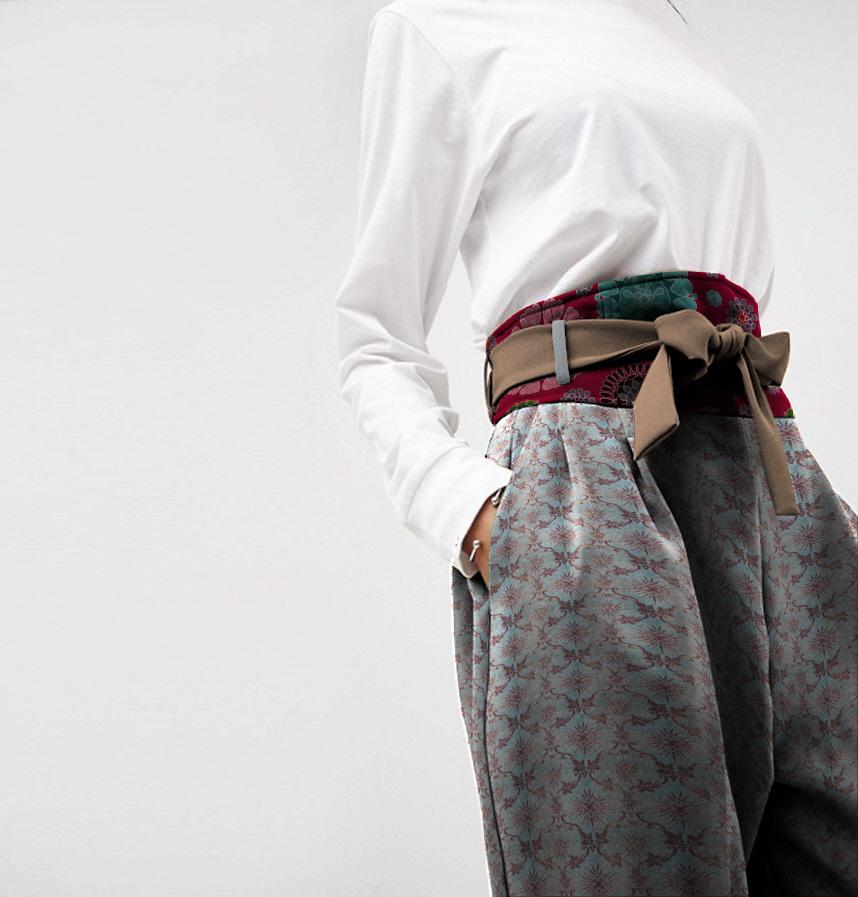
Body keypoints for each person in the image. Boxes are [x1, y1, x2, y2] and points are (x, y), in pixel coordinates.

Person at [333, 2, 858, 894]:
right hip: (588, 482)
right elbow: (374, 337)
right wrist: (478, 516)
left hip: (770, 472)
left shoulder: (670, 25)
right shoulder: (438, 24)